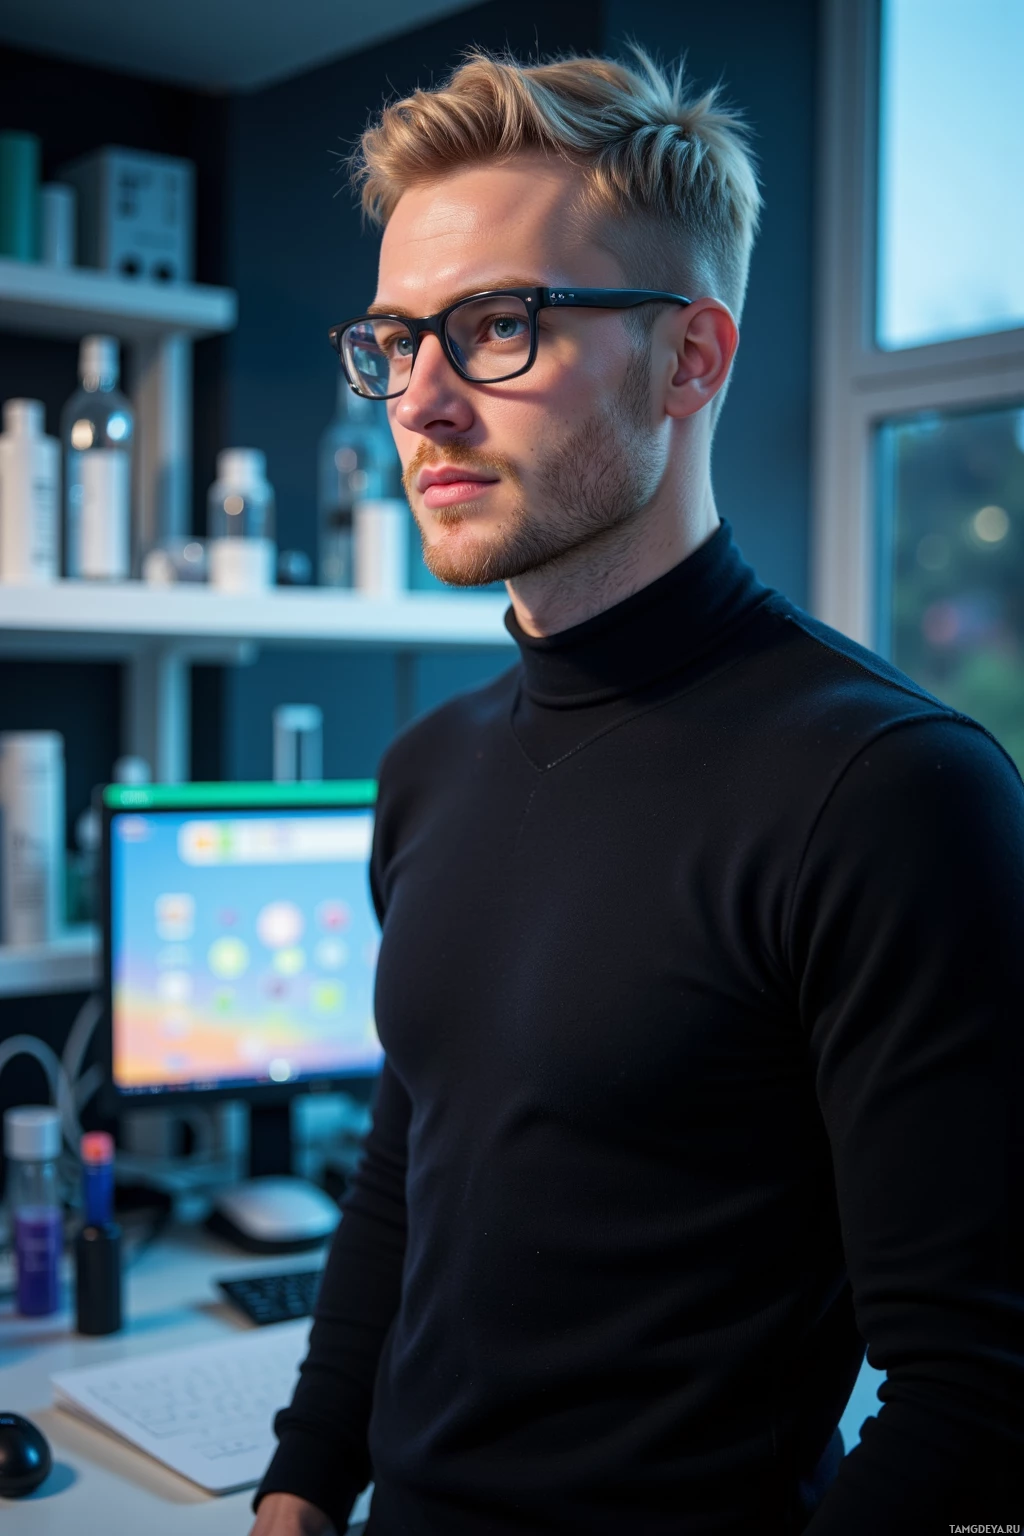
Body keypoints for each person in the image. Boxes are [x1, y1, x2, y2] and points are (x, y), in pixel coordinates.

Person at [250, 48, 1024, 1536]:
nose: (420, 402)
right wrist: (302, 1482)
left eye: (497, 327)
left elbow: (977, 1398)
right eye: (396, 339)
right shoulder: (427, 769)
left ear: (691, 360)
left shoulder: (889, 791)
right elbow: (410, 1170)